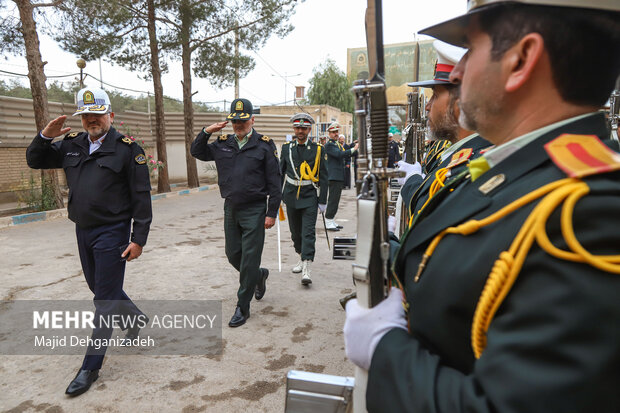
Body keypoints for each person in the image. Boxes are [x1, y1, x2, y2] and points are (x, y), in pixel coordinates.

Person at [344, 1, 620, 411]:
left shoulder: (587, 211)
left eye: (470, 50)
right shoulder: (525, 172)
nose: (456, 72)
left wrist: (386, 352)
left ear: (521, 59)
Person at [26, 87, 152, 397]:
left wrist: (138, 239)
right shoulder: (72, 144)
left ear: (110, 115)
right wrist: (45, 135)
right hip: (83, 230)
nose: (92, 121)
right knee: (99, 286)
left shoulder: (127, 149)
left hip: (113, 230)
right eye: (86, 116)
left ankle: (90, 367)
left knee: (104, 301)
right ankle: (134, 317)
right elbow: (34, 160)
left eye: (97, 115)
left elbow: (141, 197)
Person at [190, 98, 281, 328]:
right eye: (234, 121)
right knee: (233, 254)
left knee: (249, 257)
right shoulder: (223, 143)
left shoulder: (264, 145)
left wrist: (271, 212)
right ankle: (258, 275)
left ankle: (243, 306)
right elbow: (197, 151)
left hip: (255, 209)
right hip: (231, 207)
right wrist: (206, 131)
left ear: (252, 119)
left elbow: (275, 183)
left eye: (242, 121)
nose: (238, 125)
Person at [399, 40, 491, 227]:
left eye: (435, 94)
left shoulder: (476, 163)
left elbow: (432, 227)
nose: (427, 106)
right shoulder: (459, 155)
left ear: (460, 101)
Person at [279, 113, 328, 285]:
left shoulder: (318, 149)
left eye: (304, 128)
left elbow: (324, 177)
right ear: (294, 129)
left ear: (309, 129)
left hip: (309, 196)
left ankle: (307, 267)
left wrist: (323, 200)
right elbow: (280, 173)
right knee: (295, 234)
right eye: (298, 128)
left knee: (308, 232)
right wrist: (277, 196)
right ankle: (301, 257)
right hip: (291, 195)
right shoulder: (287, 148)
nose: (301, 131)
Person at [324, 122, 358, 230]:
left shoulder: (337, 144)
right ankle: (328, 221)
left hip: (338, 176)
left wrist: (356, 150)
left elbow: (346, 153)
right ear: (329, 133)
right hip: (334, 176)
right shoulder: (329, 145)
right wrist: (354, 148)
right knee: (333, 200)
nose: (336, 134)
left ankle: (331, 220)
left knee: (336, 199)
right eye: (333, 132)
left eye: (337, 132)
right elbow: (339, 154)